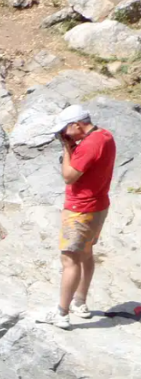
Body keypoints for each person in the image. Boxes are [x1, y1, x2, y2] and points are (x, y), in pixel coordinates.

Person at [36, 104, 116, 330]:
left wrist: (67, 149)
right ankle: (79, 302)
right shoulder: (105, 136)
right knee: (86, 253)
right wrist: (72, 145)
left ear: (77, 125)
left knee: (69, 260)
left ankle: (61, 313)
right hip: (98, 205)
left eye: (65, 130)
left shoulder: (88, 145)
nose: (64, 134)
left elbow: (69, 176)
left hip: (80, 209)